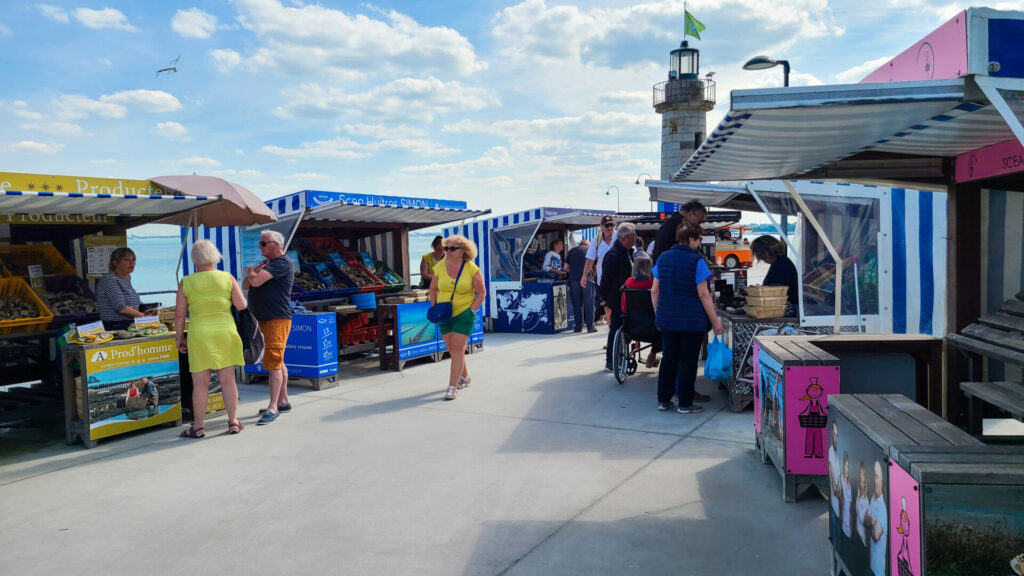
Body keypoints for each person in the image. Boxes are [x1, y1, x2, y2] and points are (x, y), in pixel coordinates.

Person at [175, 239, 248, 438]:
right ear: (215, 255)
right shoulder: (227, 277)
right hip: (225, 331)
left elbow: (180, 315)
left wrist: (179, 338)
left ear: (194, 259)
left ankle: (198, 427)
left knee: (200, 383)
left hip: (199, 334)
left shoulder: (186, 282)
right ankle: (233, 422)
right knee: (228, 380)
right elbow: (241, 305)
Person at [650, 224, 723, 413]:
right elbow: (703, 294)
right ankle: (685, 404)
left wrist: (659, 315)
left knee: (669, 360)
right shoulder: (696, 261)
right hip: (692, 321)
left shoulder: (662, 258)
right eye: (698, 239)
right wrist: (715, 320)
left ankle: (663, 401)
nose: (699, 243)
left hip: (667, 320)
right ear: (691, 239)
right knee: (688, 362)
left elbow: (654, 291)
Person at [244, 230, 295, 425]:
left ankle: (273, 407)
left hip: (276, 319)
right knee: (278, 360)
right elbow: (246, 285)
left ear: (275, 244)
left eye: (263, 243)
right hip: (266, 318)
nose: (260, 246)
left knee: (273, 361)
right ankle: (282, 401)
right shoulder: (270, 265)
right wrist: (253, 274)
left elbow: (254, 281)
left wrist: (252, 272)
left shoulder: (281, 263)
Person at [429, 235, 486, 401]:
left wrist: (471, 310)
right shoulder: (440, 267)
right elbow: (433, 289)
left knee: (457, 349)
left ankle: (452, 387)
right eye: (446, 248)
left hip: (463, 314)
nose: (448, 251)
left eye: (452, 249)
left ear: (463, 251)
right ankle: (465, 377)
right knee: (454, 351)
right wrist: (434, 307)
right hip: (443, 314)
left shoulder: (471, 269)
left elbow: (481, 293)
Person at [600, 222, 636, 373]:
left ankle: (620, 358)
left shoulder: (627, 252)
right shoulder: (614, 254)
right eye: (634, 236)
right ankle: (610, 361)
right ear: (627, 237)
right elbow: (605, 279)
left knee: (621, 328)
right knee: (615, 328)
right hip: (616, 298)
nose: (635, 239)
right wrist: (604, 298)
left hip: (625, 297)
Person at [621, 255, 660, 368]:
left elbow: (624, 307)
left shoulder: (628, 283)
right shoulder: (653, 284)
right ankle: (652, 355)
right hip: (653, 327)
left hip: (632, 326)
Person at [96, 247, 147, 330]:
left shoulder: (127, 278)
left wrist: (150, 310)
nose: (132, 263)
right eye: (127, 260)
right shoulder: (109, 279)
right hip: (116, 326)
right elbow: (122, 308)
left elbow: (132, 301)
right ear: (115, 263)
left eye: (133, 260)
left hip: (128, 324)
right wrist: (144, 316)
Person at [750, 235, 799, 314]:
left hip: (787, 309)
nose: (759, 258)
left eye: (759, 254)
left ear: (766, 252)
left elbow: (776, 292)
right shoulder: (780, 262)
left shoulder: (782, 265)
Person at [581, 215, 616, 325]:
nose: (610, 228)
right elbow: (590, 259)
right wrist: (584, 275)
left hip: (619, 278)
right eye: (607, 225)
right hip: (604, 280)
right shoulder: (596, 240)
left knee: (620, 308)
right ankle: (612, 332)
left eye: (612, 225)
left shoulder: (619, 236)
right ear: (601, 226)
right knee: (608, 308)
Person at [565, 239, 596, 333]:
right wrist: (592, 277)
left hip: (574, 280)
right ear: (587, 244)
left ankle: (578, 327)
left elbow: (566, 267)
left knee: (577, 304)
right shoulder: (591, 250)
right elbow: (596, 267)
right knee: (589, 304)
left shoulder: (571, 251)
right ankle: (590, 327)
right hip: (587, 279)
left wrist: (574, 273)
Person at [865, 460, 888, 576]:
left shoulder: (883, 508)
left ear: (882, 481)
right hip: (871, 566)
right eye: (874, 476)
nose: (875, 481)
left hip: (879, 571)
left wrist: (871, 521)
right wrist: (874, 521)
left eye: (877, 477)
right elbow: (865, 520)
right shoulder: (873, 498)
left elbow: (876, 535)